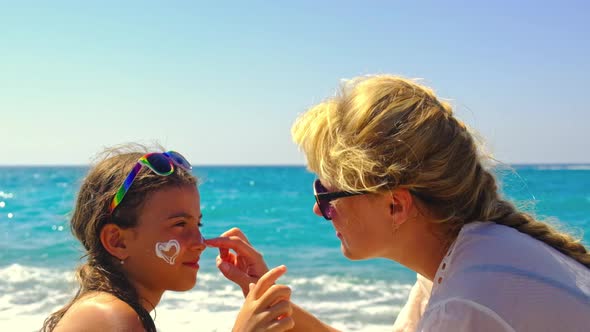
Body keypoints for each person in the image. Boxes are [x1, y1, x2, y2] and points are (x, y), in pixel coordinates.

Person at [206, 75, 590, 331]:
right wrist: (270, 301)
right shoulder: (461, 261)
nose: (317, 210)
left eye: (326, 195)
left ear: (395, 206)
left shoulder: (467, 304)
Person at [41, 145, 294, 332]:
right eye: (180, 224)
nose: (199, 242)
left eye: (199, 223)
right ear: (117, 241)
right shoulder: (110, 316)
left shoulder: (112, 311)